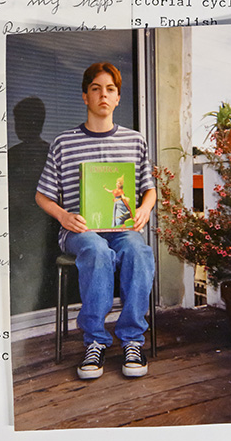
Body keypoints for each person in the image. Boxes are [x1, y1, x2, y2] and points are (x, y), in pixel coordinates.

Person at [35, 61, 156, 381]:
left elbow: (149, 190)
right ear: (85, 97)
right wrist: (63, 215)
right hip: (82, 230)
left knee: (137, 250)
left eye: (111, 89)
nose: (104, 95)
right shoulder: (64, 143)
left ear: (118, 98)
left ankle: (132, 338)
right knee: (97, 251)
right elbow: (43, 195)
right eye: (95, 88)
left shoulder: (134, 141)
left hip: (121, 229)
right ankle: (95, 341)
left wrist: (144, 209)